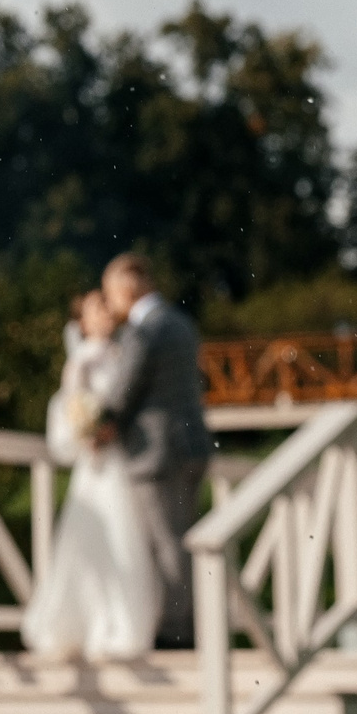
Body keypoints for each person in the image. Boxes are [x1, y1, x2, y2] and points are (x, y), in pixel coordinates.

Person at [22, 289, 164, 661]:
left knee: (128, 540)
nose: (104, 314)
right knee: (96, 543)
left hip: (123, 462)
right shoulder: (81, 363)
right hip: (96, 467)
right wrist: (86, 433)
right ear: (82, 322)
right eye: (95, 309)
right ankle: (86, 626)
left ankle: (125, 626)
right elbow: (69, 412)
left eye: (105, 306)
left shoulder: (124, 353)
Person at [93, 253, 214, 650]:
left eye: (112, 293)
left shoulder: (145, 330)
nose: (112, 304)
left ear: (128, 288)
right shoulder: (181, 323)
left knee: (167, 543)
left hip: (157, 453)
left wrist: (99, 422)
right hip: (191, 444)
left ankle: (177, 632)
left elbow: (124, 390)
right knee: (182, 539)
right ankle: (192, 623)